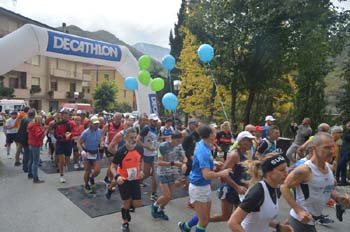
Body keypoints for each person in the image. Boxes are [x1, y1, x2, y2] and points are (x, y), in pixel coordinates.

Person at [280, 132, 350, 232]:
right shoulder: (305, 170)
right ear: (314, 149)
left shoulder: (328, 167)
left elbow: (324, 187)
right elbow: (284, 186)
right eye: (326, 148)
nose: (332, 151)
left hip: (312, 221)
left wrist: (338, 198)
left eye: (332, 147)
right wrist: (299, 211)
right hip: (301, 222)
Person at [178, 125, 231, 232]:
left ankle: (185, 227)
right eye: (214, 132)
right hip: (198, 187)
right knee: (204, 220)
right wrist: (222, 173)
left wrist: (213, 162)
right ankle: (186, 227)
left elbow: (199, 160)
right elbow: (206, 174)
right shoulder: (204, 151)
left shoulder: (204, 144)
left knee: (204, 216)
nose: (216, 134)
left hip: (204, 185)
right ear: (210, 135)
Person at [227, 154, 292, 232]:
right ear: (269, 173)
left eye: (286, 168)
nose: (286, 173)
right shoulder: (258, 191)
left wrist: (279, 226)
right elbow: (233, 222)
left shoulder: (276, 188)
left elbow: (260, 217)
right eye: (281, 170)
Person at [105, 128, 144, 232]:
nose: (134, 140)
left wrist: (141, 170)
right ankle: (125, 222)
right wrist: (117, 177)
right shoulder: (121, 151)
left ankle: (126, 210)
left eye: (135, 137)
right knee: (126, 202)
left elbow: (141, 160)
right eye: (131, 138)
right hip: (123, 179)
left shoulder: (140, 149)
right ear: (125, 138)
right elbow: (112, 167)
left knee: (137, 204)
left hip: (135, 178)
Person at [210, 131, 255, 222]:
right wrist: (237, 187)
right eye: (249, 140)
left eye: (251, 140)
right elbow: (224, 172)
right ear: (241, 141)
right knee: (225, 217)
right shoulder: (234, 155)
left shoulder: (247, 153)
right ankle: (199, 220)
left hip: (241, 191)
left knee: (240, 219)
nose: (251, 143)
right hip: (230, 190)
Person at [151, 131, 187, 220]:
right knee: (166, 195)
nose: (179, 143)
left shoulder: (179, 146)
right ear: (172, 139)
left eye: (180, 141)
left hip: (173, 173)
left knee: (169, 197)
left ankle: (161, 210)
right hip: (162, 173)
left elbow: (183, 156)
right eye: (177, 141)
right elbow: (159, 162)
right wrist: (173, 163)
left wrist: (184, 163)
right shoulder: (163, 146)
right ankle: (154, 206)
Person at [136, 113, 159, 201]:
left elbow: (155, 140)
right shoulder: (146, 129)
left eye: (156, 121)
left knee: (154, 175)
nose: (155, 122)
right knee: (146, 174)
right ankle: (136, 182)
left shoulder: (156, 128)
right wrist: (147, 147)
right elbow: (138, 140)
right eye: (153, 121)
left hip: (155, 154)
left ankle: (153, 193)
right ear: (150, 121)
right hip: (147, 154)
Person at [78, 116, 103, 193]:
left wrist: (101, 143)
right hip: (87, 152)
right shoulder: (86, 132)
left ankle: (91, 178)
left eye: (97, 124)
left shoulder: (99, 131)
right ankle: (86, 184)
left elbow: (101, 139)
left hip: (95, 152)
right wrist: (82, 151)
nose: (96, 126)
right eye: (95, 124)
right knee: (87, 171)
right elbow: (79, 143)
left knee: (97, 170)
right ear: (90, 124)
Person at [100, 112, 124, 185]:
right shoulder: (108, 126)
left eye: (119, 118)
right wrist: (102, 142)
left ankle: (107, 178)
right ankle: (111, 181)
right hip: (109, 146)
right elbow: (102, 135)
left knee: (112, 165)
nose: (117, 120)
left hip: (118, 147)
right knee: (113, 163)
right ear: (113, 118)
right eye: (116, 118)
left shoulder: (122, 126)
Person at [54, 110, 77, 183]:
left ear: (69, 116)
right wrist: (63, 136)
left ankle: (65, 166)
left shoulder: (72, 123)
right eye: (64, 116)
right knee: (61, 160)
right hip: (60, 143)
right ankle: (61, 175)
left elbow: (75, 131)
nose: (65, 117)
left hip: (68, 143)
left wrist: (71, 134)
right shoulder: (57, 124)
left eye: (67, 116)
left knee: (67, 160)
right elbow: (56, 135)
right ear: (61, 116)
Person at [16, 108, 35, 176]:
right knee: (27, 153)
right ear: (34, 115)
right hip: (27, 139)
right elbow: (29, 132)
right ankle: (26, 167)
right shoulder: (30, 121)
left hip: (21, 138)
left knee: (25, 153)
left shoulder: (24, 119)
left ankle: (25, 166)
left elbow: (20, 129)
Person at [27, 115, 46, 183]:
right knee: (36, 162)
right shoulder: (37, 127)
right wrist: (43, 130)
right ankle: (35, 178)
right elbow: (38, 135)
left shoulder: (31, 125)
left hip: (31, 144)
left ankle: (30, 174)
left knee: (31, 160)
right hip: (36, 145)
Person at [336, 121, 350, 186]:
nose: (348, 127)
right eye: (347, 125)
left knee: (340, 164)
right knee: (342, 165)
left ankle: (342, 180)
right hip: (343, 150)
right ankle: (342, 180)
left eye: (349, 126)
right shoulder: (344, 132)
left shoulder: (346, 132)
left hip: (347, 151)